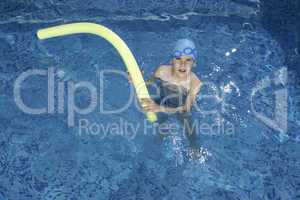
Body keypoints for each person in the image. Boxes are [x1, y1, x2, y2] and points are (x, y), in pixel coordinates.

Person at [129, 39, 202, 152]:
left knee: (189, 127)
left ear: (194, 63)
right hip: (162, 100)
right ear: (172, 61)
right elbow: (148, 86)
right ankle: (160, 140)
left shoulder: (195, 83)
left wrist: (159, 108)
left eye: (188, 60)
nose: (183, 64)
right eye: (178, 58)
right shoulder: (162, 71)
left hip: (180, 107)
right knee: (161, 125)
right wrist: (137, 79)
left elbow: (186, 108)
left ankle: (193, 146)